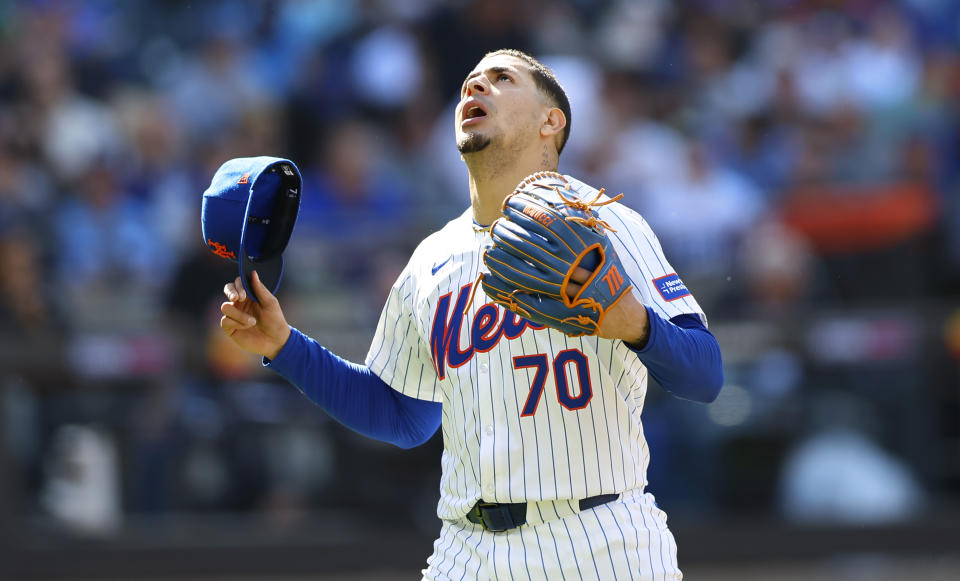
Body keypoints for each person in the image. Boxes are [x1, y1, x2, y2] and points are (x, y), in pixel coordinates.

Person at [218, 49, 723, 580]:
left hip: (599, 539)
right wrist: (284, 347)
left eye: (501, 79)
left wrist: (637, 325)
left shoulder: (604, 221)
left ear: (553, 121)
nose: (475, 88)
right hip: (467, 548)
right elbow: (402, 415)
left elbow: (706, 373)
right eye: (468, 83)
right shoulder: (432, 258)